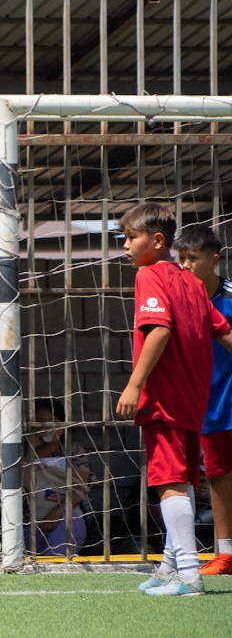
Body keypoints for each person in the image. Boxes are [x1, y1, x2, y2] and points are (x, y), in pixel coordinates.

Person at [115, 203, 232, 597]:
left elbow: (159, 331)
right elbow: (223, 332)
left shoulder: (150, 275)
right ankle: (168, 569)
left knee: (169, 484)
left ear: (158, 240)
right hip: (195, 401)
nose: (126, 246)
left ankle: (189, 576)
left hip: (164, 398)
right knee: (180, 481)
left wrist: (134, 384)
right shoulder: (194, 282)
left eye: (132, 238)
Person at [173, 224, 232, 575]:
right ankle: (225, 554)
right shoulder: (179, 302)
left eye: (192, 258)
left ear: (214, 261)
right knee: (219, 478)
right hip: (209, 407)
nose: (185, 266)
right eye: (181, 259)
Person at [23, 398, 95, 556]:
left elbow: (80, 488)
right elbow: (25, 485)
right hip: (29, 527)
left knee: (68, 521)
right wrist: (30, 450)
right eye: (41, 422)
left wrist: (57, 511)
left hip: (65, 520)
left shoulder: (73, 450)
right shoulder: (21, 452)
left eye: (53, 421)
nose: (48, 427)